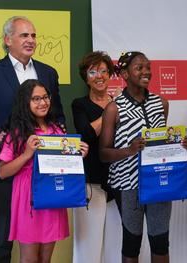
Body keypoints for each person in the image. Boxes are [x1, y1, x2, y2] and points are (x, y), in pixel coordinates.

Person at [0, 16, 65, 263]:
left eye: (33, 35)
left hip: (45, 171)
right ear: (8, 40)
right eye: (24, 35)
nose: (30, 40)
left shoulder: (48, 73)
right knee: (4, 233)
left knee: (43, 237)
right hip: (8, 167)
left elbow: (58, 116)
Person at [99, 51, 187, 263]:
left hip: (159, 181)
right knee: (132, 242)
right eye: (139, 67)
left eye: (148, 67)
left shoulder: (162, 103)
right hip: (128, 184)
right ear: (124, 73)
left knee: (160, 241)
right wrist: (129, 150)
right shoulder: (114, 109)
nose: (146, 72)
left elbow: (162, 144)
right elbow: (103, 153)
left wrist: (179, 145)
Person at [0, 79, 88, 262]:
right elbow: (2, 172)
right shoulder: (17, 132)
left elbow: (64, 166)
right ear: (25, 103)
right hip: (28, 198)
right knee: (30, 259)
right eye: (36, 99)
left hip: (53, 195)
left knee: (45, 259)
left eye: (45, 97)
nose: (43, 102)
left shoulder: (57, 130)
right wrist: (26, 154)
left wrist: (78, 156)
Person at [71, 51, 115, 263]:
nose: (100, 76)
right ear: (86, 77)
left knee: (115, 245)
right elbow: (87, 135)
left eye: (104, 71)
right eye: (93, 71)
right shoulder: (79, 105)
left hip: (118, 182)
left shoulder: (121, 103)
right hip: (90, 182)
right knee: (87, 246)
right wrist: (109, 110)